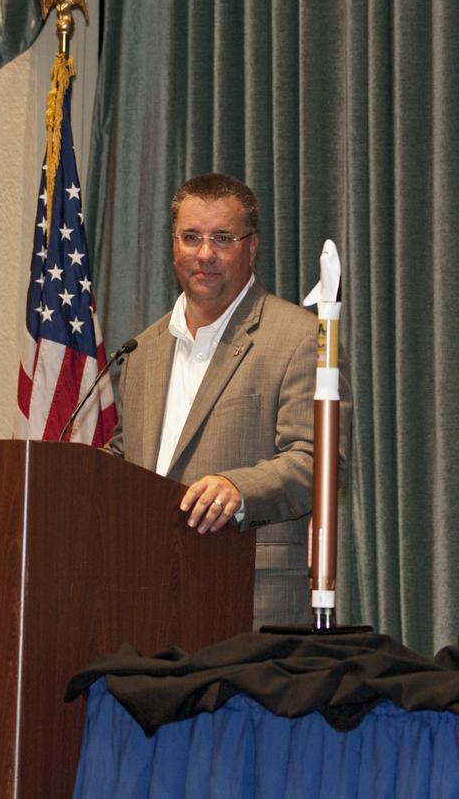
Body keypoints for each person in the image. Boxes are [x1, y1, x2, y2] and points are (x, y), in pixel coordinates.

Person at [107, 173, 350, 627]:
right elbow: (126, 460)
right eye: (191, 237)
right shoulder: (141, 350)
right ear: (173, 244)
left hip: (250, 599)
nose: (204, 254)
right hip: (142, 599)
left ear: (252, 247)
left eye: (222, 238)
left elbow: (317, 460)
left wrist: (239, 490)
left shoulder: (301, 338)